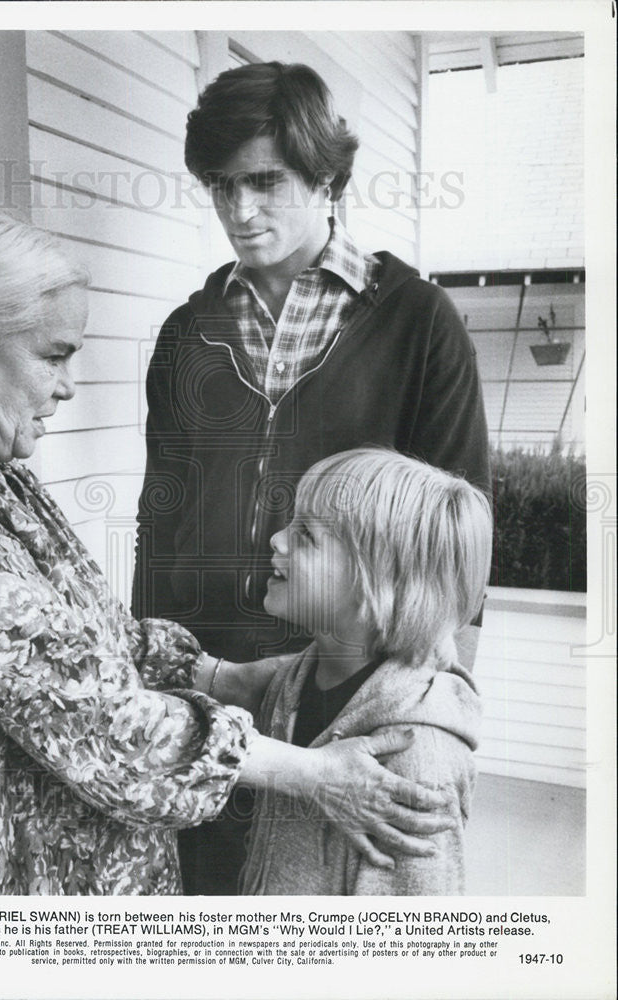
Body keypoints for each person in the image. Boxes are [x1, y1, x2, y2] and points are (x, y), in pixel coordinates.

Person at [0, 204, 453, 896]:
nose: (68, 386)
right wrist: (312, 774)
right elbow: (100, 722)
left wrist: (220, 675)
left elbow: (73, 645)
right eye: (53, 355)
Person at [133, 60, 491, 893]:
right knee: (207, 906)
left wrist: (446, 706)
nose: (238, 210)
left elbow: (455, 543)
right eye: (219, 185)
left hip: (345, 690)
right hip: (207, 684)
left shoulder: (416, 323)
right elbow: (160, 521)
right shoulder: (187, 332)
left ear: (327, 176)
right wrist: (155, 676)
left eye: (264, 181)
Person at [243, 448, 492, 895]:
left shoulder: (417, 758)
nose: (278, 539)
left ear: (378, 581)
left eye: (307, 535)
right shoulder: (293, 684)